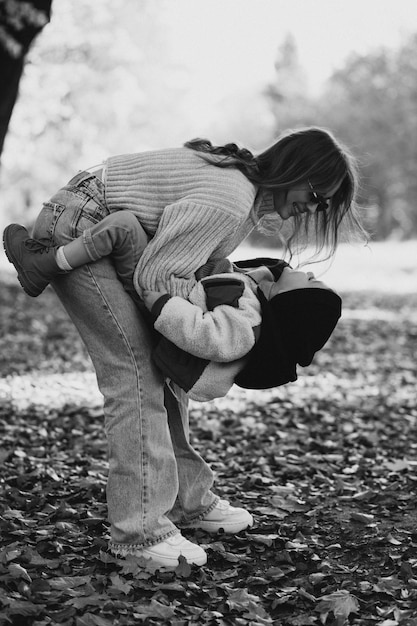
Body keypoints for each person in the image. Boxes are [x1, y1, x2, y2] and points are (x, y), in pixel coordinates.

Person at [2, 126, 364, 569]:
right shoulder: (231, 199)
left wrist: (211, 294)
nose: (314, 207)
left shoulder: (244, 200)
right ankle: (139, 533)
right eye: (317, 194)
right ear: (297, 169)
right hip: (83, 224)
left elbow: (181, 267)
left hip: (98, 225)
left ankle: (186, 500)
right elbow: (155, 279)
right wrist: (195, 323)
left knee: (163, 371)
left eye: (324, 204)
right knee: (135, 372)